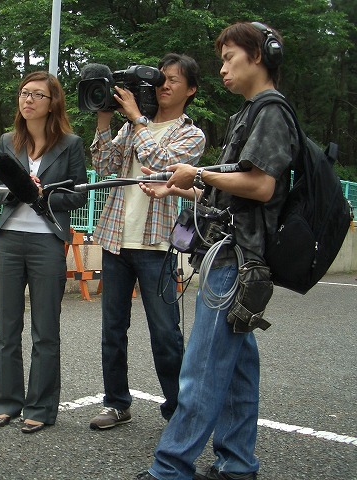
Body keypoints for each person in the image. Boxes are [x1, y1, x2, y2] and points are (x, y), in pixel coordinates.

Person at [134, 22, 295, 480]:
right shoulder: (248, 114)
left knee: (201, 368)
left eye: (229, 57)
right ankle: (238, 464)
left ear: (260, 56)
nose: (223, 67)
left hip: (236, 261)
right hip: (231, 252)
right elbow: (232, 194)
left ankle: (170, 468)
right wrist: (176, 188)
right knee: (239, 371)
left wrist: (198, 174)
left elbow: (262, 186)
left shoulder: (270, 110)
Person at [88, 53, 205, 429]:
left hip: (157, 246)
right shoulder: (132, 125)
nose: (164, 86)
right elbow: (104, 167)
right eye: (161, 79)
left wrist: (137, 119)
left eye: (173, 80)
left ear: (191, 90)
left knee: (166, 333)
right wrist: (105, 116)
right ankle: (116, 403)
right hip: (116, 239)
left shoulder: (191, 134)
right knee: (112, 330)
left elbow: (160, 166)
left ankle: (178, 408)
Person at [0, 71, 87, 434]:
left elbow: (79, 195)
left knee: (46, 329)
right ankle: (6, 402)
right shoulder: (7, 142)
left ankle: (41, 407)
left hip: (48, 240)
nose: (28, 100)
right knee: (7, 328)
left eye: (37, 95)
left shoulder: (70, 144)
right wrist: (17, 190)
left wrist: (43, 193)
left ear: (52, 103)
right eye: (24, 93)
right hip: (8, 241)